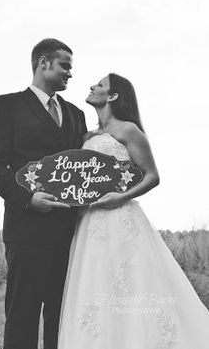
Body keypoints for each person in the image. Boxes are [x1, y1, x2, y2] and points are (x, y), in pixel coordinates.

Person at [58, 73, 209, 348]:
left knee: (131, 285)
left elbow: (152, 175)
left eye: (100, 85)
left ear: (113, 96)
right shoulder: (87, 135)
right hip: (90, 223)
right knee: (94, 285)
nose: (92, 86)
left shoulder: (128, 130)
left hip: (121, 219)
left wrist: (121, 196)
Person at [0, 38, 87, 349]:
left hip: (69, 233)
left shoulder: (76, 113)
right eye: (65, 65)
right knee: (22, 316)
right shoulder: (8, 105)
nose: (70, 73)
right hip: (26, 232)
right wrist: (27, 198)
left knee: (62, 317)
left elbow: (84, 169)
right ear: (43, 62)